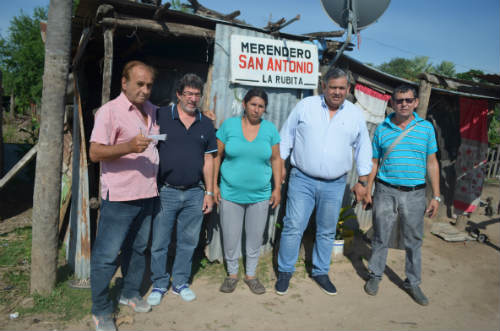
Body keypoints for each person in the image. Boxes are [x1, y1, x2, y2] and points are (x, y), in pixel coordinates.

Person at [275, 68, 372, 296]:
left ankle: (320, 271)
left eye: (342, 88)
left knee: (327, 230)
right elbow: (286, 136)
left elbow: (363, 149)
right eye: (333, 87)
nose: (337, 92)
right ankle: (285, 271)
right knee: (293, 226)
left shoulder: (355, 115)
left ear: (348, 89)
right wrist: (279, 166)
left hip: (335, 183)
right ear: (324, 87)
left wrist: (363, 181)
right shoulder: (306, 106)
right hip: (302, 180)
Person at [89, 61, 158, 331]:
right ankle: (101, 310)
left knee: (138, 249)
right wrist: (128, 146)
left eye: (149, 85)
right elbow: (95, 153)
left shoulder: (152, 111)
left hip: (147, 193)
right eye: (139, 84)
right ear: (124, 82)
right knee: (107, 255)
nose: (144, 90)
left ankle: (129, 293)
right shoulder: (110, 112)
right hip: (119, 197)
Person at [363, 84, 440, 306]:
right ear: (392, 103)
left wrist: (436, 196)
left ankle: (413, 282)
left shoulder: (425, 128)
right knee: (380, 235)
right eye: (399, 100)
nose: (403, 104)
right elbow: (374, 162)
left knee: (414, 240)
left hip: (415, 194)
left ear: (416, 102)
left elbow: (432, 162)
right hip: (385, 191)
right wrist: (368, 189)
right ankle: (375, 275)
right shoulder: (382, 128)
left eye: (408, 100)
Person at [147, 73, 217, 305]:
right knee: (160, 241)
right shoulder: (162, 115)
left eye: (197, 94)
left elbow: (209, 160)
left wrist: (209, 192)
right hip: (166, 190)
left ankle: (180, 282)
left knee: (188, 241)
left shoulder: (206, 124)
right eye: (188, 93)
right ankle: (159, 283)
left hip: (195, 192)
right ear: (178, 94)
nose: (193, 99)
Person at [213, 88, 281, 295]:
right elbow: (217, 155)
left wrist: (277, 188)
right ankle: (232, 275)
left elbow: (276, 159)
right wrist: (213, 185)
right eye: (253, 104)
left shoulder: (270, 130)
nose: (257, 109)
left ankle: (251, 275)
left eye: (261, 106)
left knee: (254, 237)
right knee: (231, 236)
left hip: (260, 194)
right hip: (230, 193)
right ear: (244, 104)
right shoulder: (229, 126)